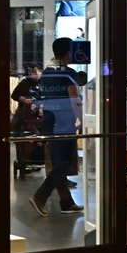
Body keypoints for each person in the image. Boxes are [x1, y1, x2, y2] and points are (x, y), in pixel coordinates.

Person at [29, 38, 84, 217]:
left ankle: (66, 202)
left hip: (49, 121)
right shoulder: (68, 74)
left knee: (57, 162)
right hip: (64, 122)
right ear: (68, 52)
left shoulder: (46, 74)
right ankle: (40, 196)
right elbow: (74, 99)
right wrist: (80, 120)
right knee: (63, 163)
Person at [10, 65, 41, 135]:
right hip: (24, 109)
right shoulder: (25, 82)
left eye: (38, 73)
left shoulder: (42, 83)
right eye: (34, 73)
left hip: (38, 109)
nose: (37, 75)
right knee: (15, 124)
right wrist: (24, 100)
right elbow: (14, 95)